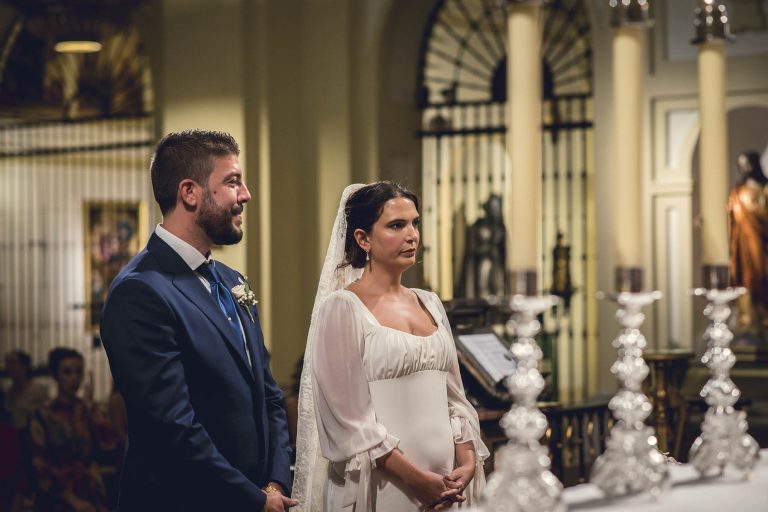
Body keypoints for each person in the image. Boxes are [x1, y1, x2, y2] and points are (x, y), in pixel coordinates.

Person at [100, 130, 295, 512]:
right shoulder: (141, 292)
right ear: (189, 192)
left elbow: (268, 393)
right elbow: (171, 426)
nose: (246, 195)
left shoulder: (232, 281)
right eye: (233, 182)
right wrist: (251, 498)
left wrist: (274, 481)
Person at [292, 183, 489, 511]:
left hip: (448, 487)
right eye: (396, 225)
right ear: (363, 239)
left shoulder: (430, 303)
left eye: (415, 223)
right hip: (382, 488)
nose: (412, 235)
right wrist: (419, 481)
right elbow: (348, 421)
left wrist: (466, 464)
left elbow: (455, 399)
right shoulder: (343, 307)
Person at [27, 347, 118, 512]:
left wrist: (91, 410)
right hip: (57, 498)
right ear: (55, 375)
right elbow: (39, 466)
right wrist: (71, 499)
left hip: (91, 494)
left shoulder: (87, 410)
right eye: (67, 372)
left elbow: (110, 446)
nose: (74, 379)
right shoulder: (42, 415)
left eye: (78, 372)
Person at [728, 150, 768, 336]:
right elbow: (729, 217)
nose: (744, 168)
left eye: (747, 163)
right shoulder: (737, 191)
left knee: (760, 278)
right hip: (741, 246)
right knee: (744, 280)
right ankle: (746, 320)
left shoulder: (764, 189)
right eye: (740, 164)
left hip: (760, 244)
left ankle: (762, 318)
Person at [4, 351, 49, 430]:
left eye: (12, 363)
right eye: (7, 363)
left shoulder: (38, 390)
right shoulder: (7, 392)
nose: (8, 367)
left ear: (24, 366)